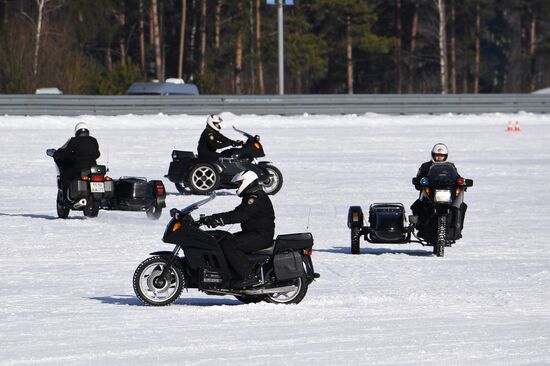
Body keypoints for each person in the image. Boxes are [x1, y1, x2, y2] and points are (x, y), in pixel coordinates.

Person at [201, 170, 275, 288]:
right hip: (254, 233)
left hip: (260, 235)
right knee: (223, 239)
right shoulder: (251, 195)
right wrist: (213, 218)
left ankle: (248, 277)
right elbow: (237, 212)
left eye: (240, 184)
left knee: (230, 244)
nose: (238, 187)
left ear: (247, 182)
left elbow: (241, 215)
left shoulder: (255, 197)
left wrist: (219, 220)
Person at [410, 143, 462, 238]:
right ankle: (420, 227)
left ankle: (456, 228)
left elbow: (456, 177)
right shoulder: (425, 166)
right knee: (417, 206)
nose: (439, 157)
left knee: (460, 206)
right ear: (433, 155)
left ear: (445, 156)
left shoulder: (451, 167)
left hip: (447, 193)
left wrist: (461, 182)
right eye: (437, 155)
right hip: (430, 194)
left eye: (441, 156)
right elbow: (419, 178)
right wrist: (419, 181)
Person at [53, 122, 100, 195]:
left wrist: (59, 155)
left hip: (77, 169)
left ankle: (66, 197)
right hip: (93, 168)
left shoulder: (73, 141)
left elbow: (65, 153)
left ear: (76, 132)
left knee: (65, 176)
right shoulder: (93, 140)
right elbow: (97, 154)